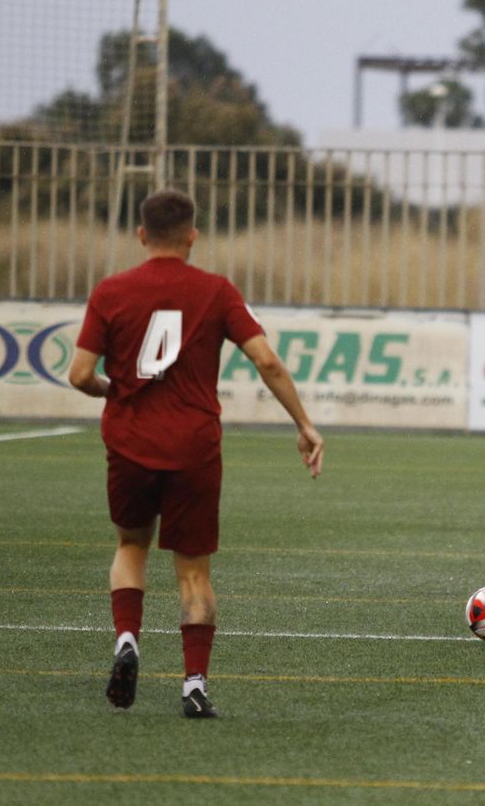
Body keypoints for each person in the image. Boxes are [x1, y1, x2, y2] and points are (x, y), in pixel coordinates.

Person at [69, 189, 325, 719]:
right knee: (194, 573)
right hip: (193, 448)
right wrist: (303, 424)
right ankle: (193, 684)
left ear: (141, 235)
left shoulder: (111, 291)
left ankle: (127, 640)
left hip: (129, 443)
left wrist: (111, 391)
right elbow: (268, 363)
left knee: (130, 546)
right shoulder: (217, 291)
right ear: (192, 236)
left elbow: (77, 374)